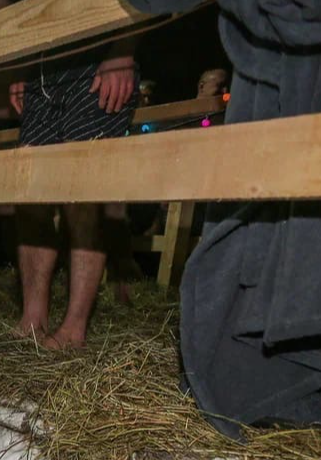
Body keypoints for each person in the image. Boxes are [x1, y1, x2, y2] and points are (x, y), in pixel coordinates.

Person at [126, 0, 320, 437]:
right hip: (213, 177)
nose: (203, 87)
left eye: (208, 81)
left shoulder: (214, 115)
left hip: (227, 172)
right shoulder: (196, 119)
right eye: (200, 82)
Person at [8, 38, 138, 348]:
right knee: (30, 194)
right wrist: (23, 63)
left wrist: (123, 49)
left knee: (82, 194)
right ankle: (33, 318)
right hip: (43, 65)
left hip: (98, 54)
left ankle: (73, 328)